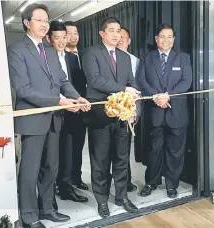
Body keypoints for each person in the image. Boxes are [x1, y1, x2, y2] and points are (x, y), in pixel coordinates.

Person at [7, 4, 90, 227]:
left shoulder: (51, 51)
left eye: (46, 20)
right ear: (27, 23)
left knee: (51, 167)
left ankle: (47, 209)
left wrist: (77, 97)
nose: (44, 24)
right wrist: (60, 101)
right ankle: (29, 216)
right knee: (30, 170)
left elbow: (62, 81)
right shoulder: (17, 50)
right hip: (33, 120)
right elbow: (23, 89)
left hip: (54, 118)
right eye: (40, 20)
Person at [82, 17, 140, 218]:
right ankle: (102, 200)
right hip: (100, 116)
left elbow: (132, 81)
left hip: (123, 117)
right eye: (112, 31)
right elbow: (95, 80)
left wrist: (133, 100)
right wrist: (123, 89)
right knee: (100, 160)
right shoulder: (91, 53)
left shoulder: (124, 57)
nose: (116, 35)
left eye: (119, 31)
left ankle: (122, 196)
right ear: (102, 33)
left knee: (122, 159)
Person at [136, 23, 192, 198]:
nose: (166, 40)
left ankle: (171, 184)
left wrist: (168, 95)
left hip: (177, 112)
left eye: (169, 37)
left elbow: (186, 82)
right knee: (153, 150)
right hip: (155, 111)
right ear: (156, 39)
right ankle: (151, 182)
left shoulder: (183, 58)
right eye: (162, 37)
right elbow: (141, 80)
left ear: (173, 40)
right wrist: (156, 97)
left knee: (175, 151)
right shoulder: (147, 57)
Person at [45, 21, 88, 203]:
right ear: (49, 39)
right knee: (50, 157)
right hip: (52, 112)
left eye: (65, 37)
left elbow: (75, 85)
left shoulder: (72, 58)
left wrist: (79, 101)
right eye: (58, 38)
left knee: (68, 152)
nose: (62, 41)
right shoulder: (45, 58)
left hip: (71, 112)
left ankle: (66, 188)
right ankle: (48, 193)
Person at [63, 21, 88, 190]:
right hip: (66, 106)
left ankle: (76, 177)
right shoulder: (59, 56)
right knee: (66, 147)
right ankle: (64, 181)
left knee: (79, 145)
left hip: (83, 107)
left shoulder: (85, 55)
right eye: (69, 33)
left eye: (76, 33)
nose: (73, 36)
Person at [116, 27, 140, 192]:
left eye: (123, 37)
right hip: (111, 109)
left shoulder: (135, 61)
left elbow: (139, 88)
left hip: (129, 110)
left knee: (124, 149)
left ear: (129, 41)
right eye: (117, 36)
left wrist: (137, 111)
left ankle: (126, 181)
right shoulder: (105, 57)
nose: (120, 39)